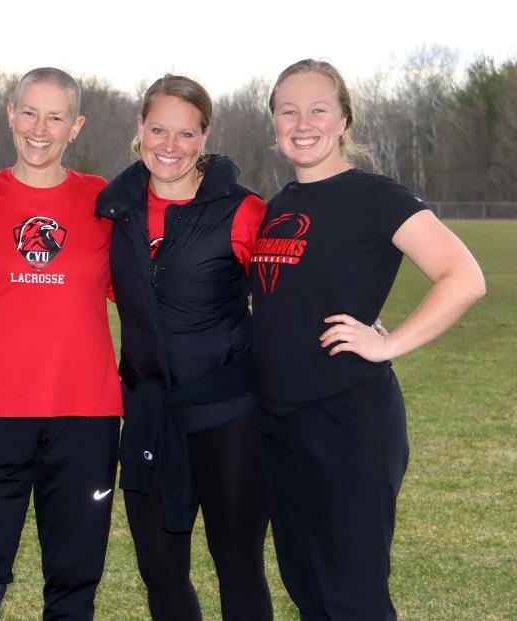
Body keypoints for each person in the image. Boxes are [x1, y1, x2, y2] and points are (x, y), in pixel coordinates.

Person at [252, 58, 485, 620]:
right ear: (275, 121)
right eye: (289, 110)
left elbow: (465, 277)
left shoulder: (376, 196)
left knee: (353, 596)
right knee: (307, 588)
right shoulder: (277, 206)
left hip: (349, 423)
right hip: (280, 424)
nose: (302, 123)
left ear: (343, 119)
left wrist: (388, 343)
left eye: (317, 109)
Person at [0, 68, 123, 621]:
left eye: (55, 116)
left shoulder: (104, 202)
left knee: (74, 575)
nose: (39, 128)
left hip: (85, 417)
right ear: (10, 115)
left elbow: (151, 290)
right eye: (29, 112)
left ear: (76, 127)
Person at [95, 75, 273, 621]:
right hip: (150, 412)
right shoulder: (114, 209)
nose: (169, 146)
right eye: (158, 130)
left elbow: (287, 294)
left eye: (185, 133)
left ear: (205, 137)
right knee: (160, 570)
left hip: (229, 416)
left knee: (238, 563)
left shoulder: (242, 210)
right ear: (139, 130)